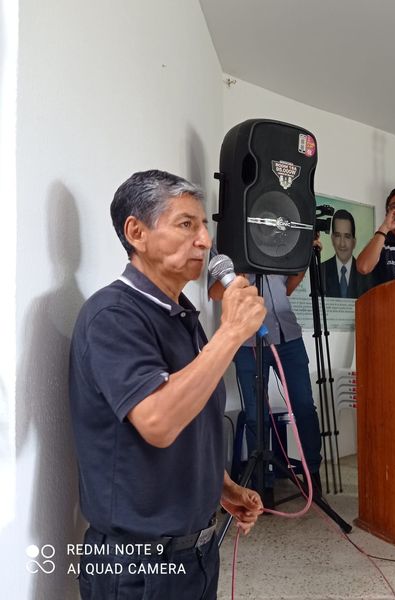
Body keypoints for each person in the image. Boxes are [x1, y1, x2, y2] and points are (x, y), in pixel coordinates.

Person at [69, 170, 265, 600]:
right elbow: (158, 421)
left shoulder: (182, 315)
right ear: (136, 232)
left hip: (197, 552)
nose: (205, 241)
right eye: (186, 224)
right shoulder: (113, 315)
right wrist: (232, 333)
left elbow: (191, 413)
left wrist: (221, 486)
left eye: (204, 226)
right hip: (139, 567)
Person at [208, 252, 323, 507]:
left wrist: (303, 256)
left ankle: (312, 474)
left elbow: (287, 288)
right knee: (255, 415)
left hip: (288, 336)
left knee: (304, 407)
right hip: (248, 342)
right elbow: (214, 293)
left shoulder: (279, 239)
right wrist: (241, 269)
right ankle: (263, 483)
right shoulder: (227, 243)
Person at [320, 209, 372, 298]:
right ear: (332, 239)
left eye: (347, 236)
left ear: (354, 242)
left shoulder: (367, 275)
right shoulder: (320, 271)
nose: (342, 244)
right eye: (337, 236)